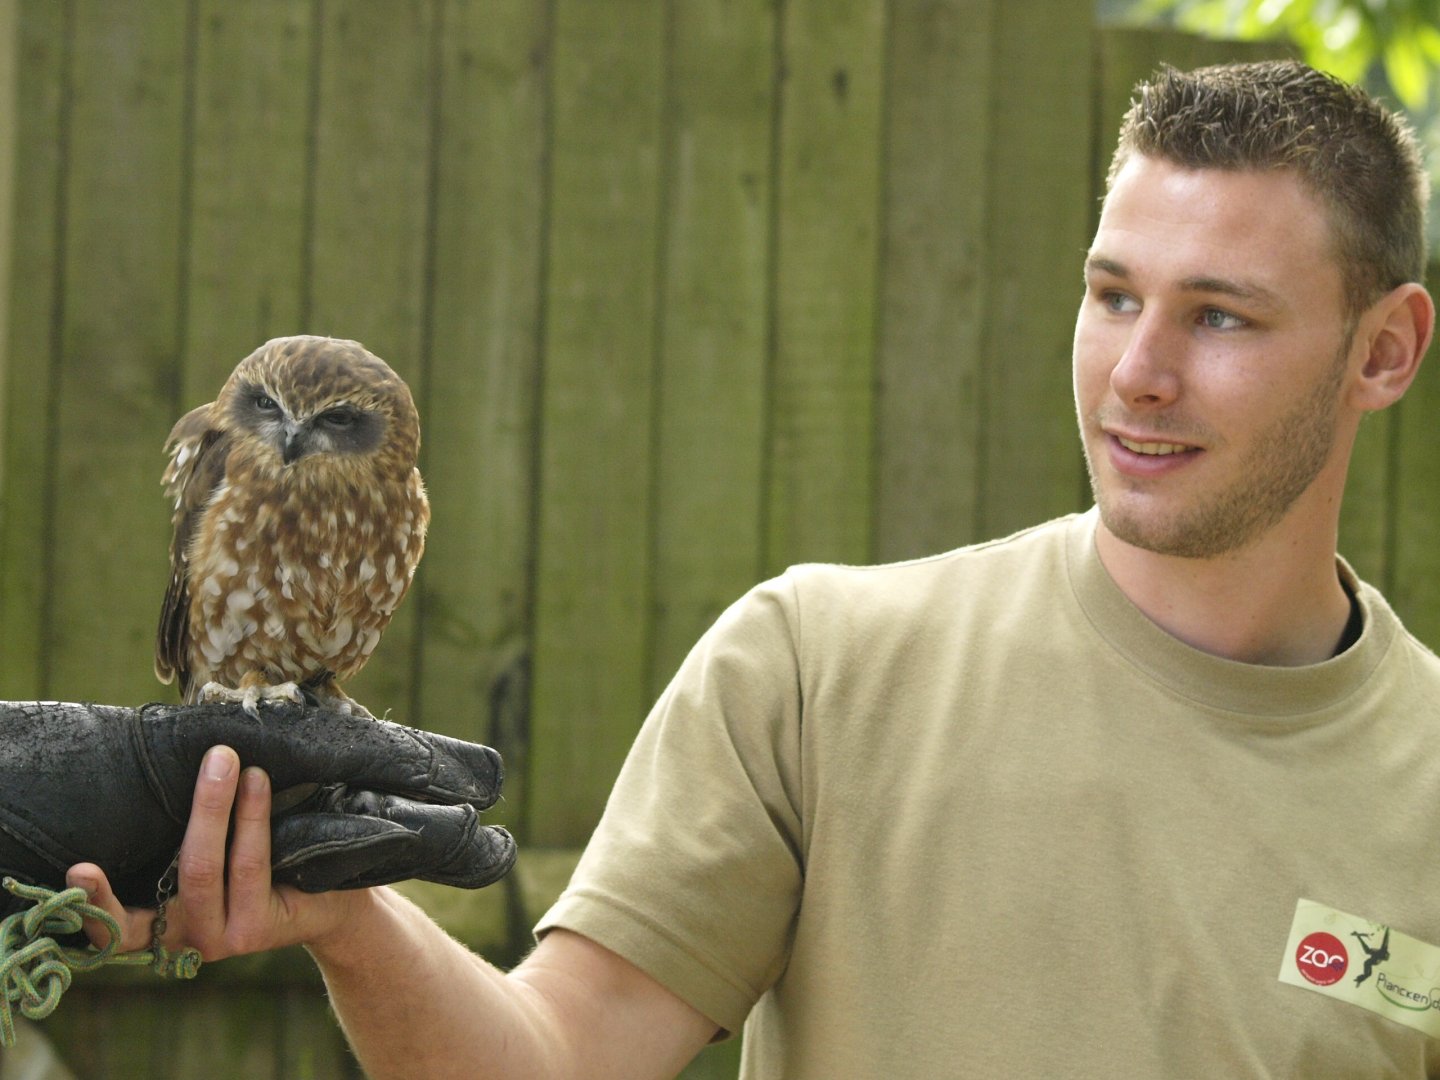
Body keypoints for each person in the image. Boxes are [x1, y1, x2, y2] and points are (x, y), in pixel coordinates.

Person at [65, 59, 1440, 1077]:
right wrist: (347, 918)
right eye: (1113, 294)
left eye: (1220, 317)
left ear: (1383, 351)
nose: (1138, 371)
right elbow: (549, 1064)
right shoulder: (819, 668)